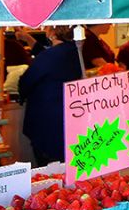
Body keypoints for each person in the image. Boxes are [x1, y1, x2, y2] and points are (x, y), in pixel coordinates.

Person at [18, 26, 84, 165]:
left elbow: (26, 81)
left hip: (47, 123)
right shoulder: (75, 51)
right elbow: (48, 58)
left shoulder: (50, 56)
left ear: (52, 32)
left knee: (49, 167)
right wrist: (29, 39)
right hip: (72, 120)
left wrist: (21, 94)